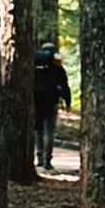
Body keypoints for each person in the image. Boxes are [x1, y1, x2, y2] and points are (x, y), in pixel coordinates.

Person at [32, 42, 72, 175]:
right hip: (52, 101)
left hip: (36, 101)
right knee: (49, 132)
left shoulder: (34, 63)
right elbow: (64, 84)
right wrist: (68, 103)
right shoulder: (57, 65)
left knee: (38, 131)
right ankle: (47, 161)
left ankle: (39, 159)